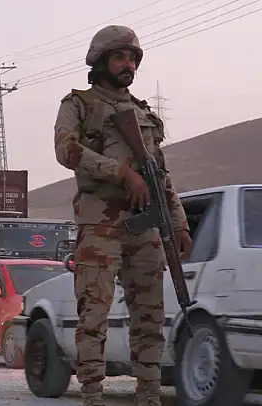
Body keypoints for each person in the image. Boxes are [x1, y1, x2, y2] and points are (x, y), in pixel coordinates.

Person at [53, 25, 192, 406]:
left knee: (150, 317)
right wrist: (121, 173)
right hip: (100, 226)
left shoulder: (143, 113)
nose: (128, 64)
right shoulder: (79, 104)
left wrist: (179, 223)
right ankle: (92, 394)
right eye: (119, 57)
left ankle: (149, 394)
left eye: (133, 58)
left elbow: (160, 174)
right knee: (94, 315)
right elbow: (66, 150)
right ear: (100, 62)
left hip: (145, 226)